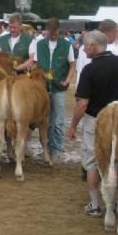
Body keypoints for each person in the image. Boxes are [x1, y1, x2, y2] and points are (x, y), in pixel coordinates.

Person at [66, 30, 118, 217]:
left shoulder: (89, 69)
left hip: (96, 120)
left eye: (85, 45)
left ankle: (95, 205)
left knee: (92, 162)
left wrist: (73, 125)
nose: (82, 49)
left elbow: (82, 103)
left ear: (94, 47)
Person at [34, 18, 75, 161]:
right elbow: (34, 63)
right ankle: (48, 147)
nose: (53, 34)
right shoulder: (39, 44)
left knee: (58, 120)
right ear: (47, 30)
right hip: (42, 88)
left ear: (59, 30)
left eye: (55, 31)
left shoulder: (66, 45)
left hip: (59, 88)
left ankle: (56, 148)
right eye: (50, 31)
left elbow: (72, 65)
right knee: (46, 121)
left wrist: (68, 79)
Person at [75, 19, 117, 85]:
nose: (116, 35)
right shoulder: (106, 48)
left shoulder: (84, 46)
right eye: (116, 32)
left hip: (84, 85)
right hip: (95, 87)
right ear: (110, 33)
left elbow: (79, 68)